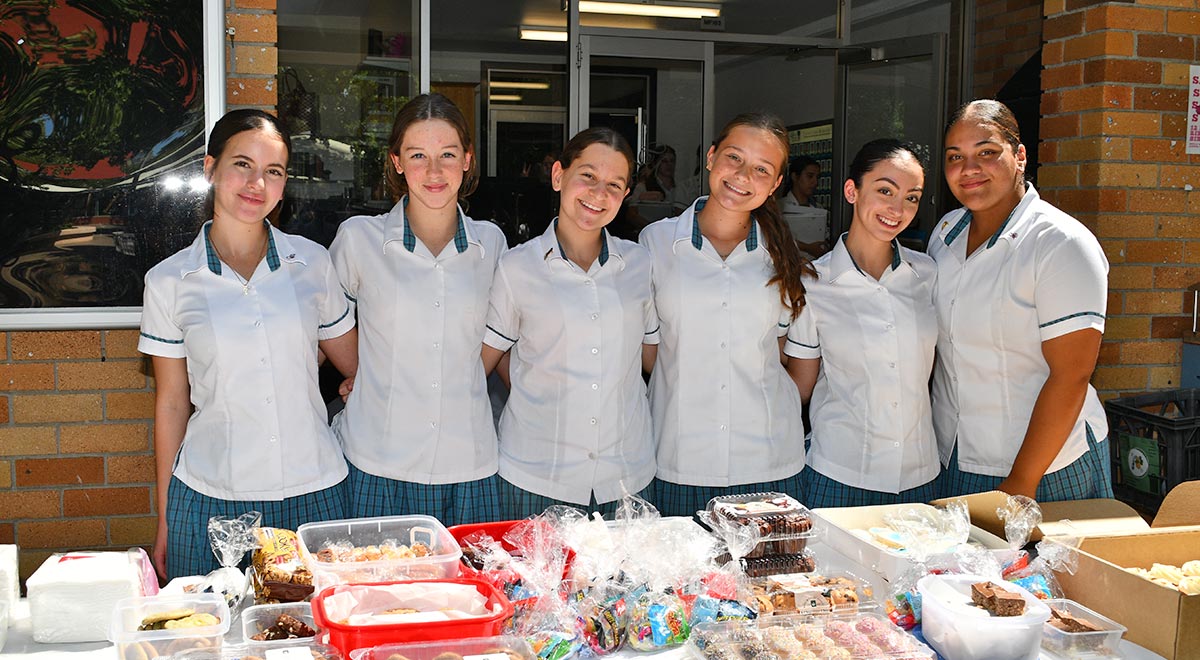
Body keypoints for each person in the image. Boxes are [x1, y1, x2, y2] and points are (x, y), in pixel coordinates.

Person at [139, 109, 357, 580]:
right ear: (209, 167)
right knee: (209, 643)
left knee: (316, 641)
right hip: (210, 497)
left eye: (273, 172)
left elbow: (354, 362)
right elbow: (172, 402)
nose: (256, 183)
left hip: (314, 490)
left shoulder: (312, 264)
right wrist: (165, 518)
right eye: (242, 164)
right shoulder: (169, 281)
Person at [330, 93, 507, 525]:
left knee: (467, 593)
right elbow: (319, 327)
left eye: (447, 154)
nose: (433, 171)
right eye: (417, 155)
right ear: (396, 161)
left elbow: (497, 343)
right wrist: (365, 373)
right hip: (376, 463)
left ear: (467, 159)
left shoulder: (493, 245)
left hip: (470, 465)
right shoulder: (359, 240)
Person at [931, 99, 1112, 501]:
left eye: (987, 152)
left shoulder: (1060, 243)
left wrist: (1021, 484)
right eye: (954, 157)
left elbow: (1071, 376)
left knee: (1046, 566)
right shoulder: (945, 234)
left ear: (1020, 156)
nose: (969, 169)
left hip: (1043, 466)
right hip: (957, 457)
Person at [640, 113, 812, 518]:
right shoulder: (656, 243)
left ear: (774, 186)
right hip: (680, 459)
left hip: (769, 462)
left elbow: (790, 361)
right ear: (712, 158)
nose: (742, 175)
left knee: (772, 583)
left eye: (761, 169)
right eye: (734, 158)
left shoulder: (783, 258)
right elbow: (652, 352)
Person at [482, 127, 658, 519]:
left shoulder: (640, 264)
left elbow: (652, 357)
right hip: (536, 475)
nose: (600, 194)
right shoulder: (517, 267)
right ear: (559, 175)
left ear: (626, 195)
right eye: (589, 176)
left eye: (615, 184)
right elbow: (486, 360)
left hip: (626, 475)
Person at [785, 139, 939, 507]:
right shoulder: (812, 283)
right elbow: (798, 390)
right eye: (885, 190)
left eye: (911, 197)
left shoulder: (929, 274)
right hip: (840, 474)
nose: (897, 208)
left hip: (923, 479)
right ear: (852, 191)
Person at [779, 155, 830, 258]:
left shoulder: (818, 209)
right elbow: (775, 240)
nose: (815, 182)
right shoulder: (779, 207)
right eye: (810, 176)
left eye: (817, 178)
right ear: (795, 177)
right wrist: (808, 248)